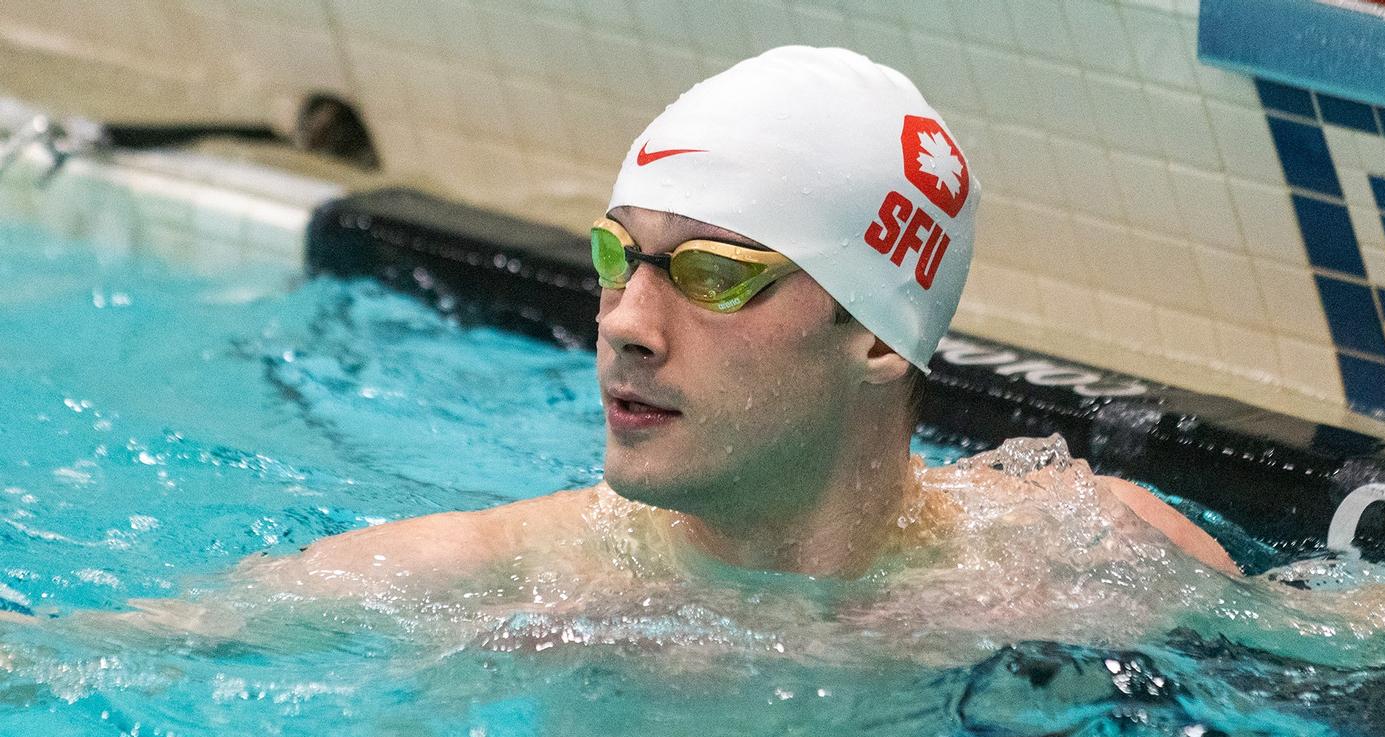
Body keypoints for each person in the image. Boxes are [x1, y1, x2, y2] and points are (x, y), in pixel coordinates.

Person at [276, 44, 1238, 593]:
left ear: (874, 335)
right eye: (618, 256)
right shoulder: (453, 587)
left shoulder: (1094, 563)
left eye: (716, 275)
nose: (624, 325)